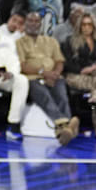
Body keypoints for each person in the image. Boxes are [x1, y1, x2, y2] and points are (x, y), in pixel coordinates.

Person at [16, 12, 79, 145]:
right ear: (25, 23)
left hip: (53, 76)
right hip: (33, 77)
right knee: (44, 95)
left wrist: (55, 74)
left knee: (61, 93)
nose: (33, 24)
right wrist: (43, 73)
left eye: (36, 21)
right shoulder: (19, 42)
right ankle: (66, 124)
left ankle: (65, 128)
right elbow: (22, 65)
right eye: (30, 21)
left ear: (40, 24)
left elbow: (60, 61)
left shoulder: (51, 41)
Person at [61, 12, 96, 140]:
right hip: (76, 76)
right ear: (79, 26)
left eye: (89, 24)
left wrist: (95, 68)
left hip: (95, 76)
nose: (86, 27)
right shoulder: (70, 41)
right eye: (83, 24)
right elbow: (66, 64)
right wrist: (85, 69)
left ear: (94, 26)